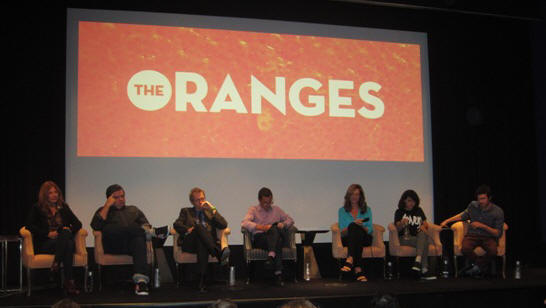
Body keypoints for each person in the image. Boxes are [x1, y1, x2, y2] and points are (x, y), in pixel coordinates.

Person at [90, 184, 166, 295]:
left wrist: (144, 229)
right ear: (109, 199)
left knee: (139, 238)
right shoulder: (103, 210)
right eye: (116, 197)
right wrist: (107, 206)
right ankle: (154, 233)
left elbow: (145, 224)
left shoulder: (133, 209)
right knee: (108, 228)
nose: (121, 199)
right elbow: (96, 226)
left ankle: (141, 282)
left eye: (122, 196)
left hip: (131, 246)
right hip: (113, 245)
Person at [26, 181, 82, 295]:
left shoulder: (64, 207)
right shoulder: (37, 208)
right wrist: (47, 233)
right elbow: (29, 226)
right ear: (45, 195)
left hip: (61, 242)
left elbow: (78, 224)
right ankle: (69, 281)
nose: (54, 195)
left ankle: (56, 263)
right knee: (69, 244)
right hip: (46, 243)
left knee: (67, 239)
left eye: (56, 192)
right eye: (50, 193)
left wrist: (68, 230)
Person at [440, 185, 504, 278]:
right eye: (479, 199)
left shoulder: (498, 211)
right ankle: (480, 268)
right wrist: (447, 221)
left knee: (493, 251)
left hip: (488, 237)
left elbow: (498, 233)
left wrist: (482, 226)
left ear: (489, 198)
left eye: (483, 199)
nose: (481, 202)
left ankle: (475, 268)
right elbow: (462, 215)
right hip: (472, 235)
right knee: (465, 248)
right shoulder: (473, 205)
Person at [173, 187, 230, 292]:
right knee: (198, 227)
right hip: (190, 243)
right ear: (192, 201)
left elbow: (223, 224)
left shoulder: (210, 212)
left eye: (202, 199)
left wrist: (213, 209)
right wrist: (187, 229)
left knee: (202, 242)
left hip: (205, 244)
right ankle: (217, 253)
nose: (201, 202)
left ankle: (202, 281)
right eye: (197, 200)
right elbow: (176, 224)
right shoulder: (186, 211)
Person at [241, 187, 294, 287]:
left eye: (269, 202)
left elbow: (290, 220)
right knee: (275, 236)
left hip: (274, 238)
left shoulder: (276, 209)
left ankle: (272, 258)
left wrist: (283, 224)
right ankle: (278, 273)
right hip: (260, 238)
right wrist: (263, 227)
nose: (267, 205)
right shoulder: (253, 210)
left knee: (275, 232)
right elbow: (244, 223)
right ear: (259, 200)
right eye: (265, 202)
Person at [393, 189, 436, 280]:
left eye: (413, 201)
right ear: (404, 200)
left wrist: (423, 226)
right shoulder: (399, 211)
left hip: (418, 237)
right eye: (409, 200)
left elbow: (425, 224)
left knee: (422, 234)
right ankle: (424, 269)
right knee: (425, 242)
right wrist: (402, 223)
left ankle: (419, 261)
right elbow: (397, 228)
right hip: (405, 238)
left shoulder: (418, 210)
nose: (411, 203)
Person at [338, 184, 373, 282]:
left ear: (361, 196)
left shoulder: (367, 210)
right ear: (348, 196)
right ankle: (358, 269)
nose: (354, 197)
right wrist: (353, 224)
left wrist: (361, 226)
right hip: (348, 238)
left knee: (357, 228)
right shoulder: (342, 211)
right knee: (353, 226)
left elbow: (370, 229)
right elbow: (342, 231)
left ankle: (350, 259)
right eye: (352, 194)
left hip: (365, 238)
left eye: (357, 194)